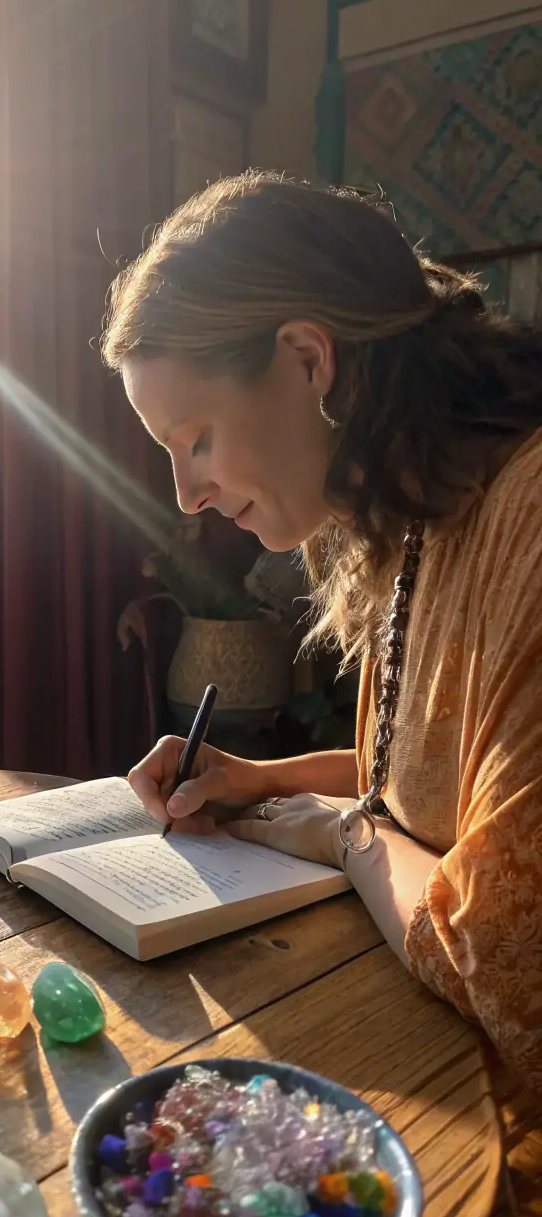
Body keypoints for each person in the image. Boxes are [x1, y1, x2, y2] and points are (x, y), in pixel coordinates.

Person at [104, 170, 542, 1092]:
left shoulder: (528, 521)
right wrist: (259, 780)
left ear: (309, 359)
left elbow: (499, 960)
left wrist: (346, 835)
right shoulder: (417, 519)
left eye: (197, 439)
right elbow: (451, 792)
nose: (187, 495)